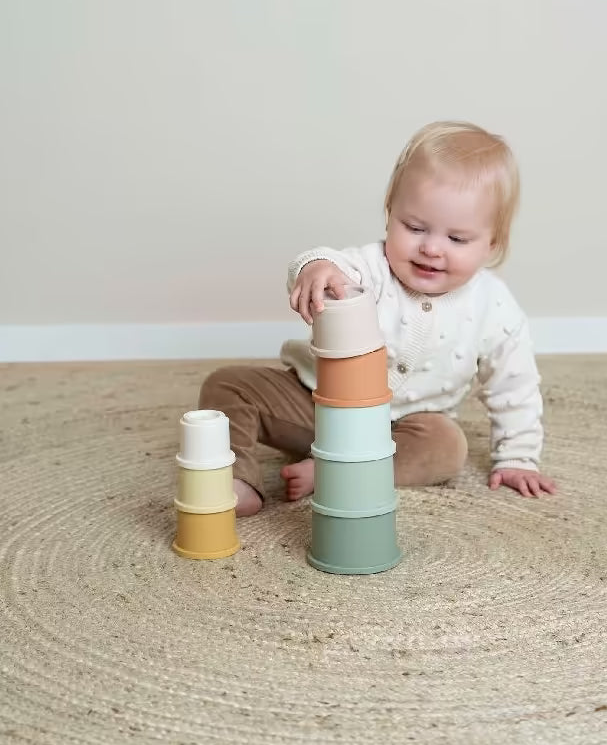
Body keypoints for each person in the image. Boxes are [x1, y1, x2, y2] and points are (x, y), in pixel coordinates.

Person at [199, 121, 556, 516]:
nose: (432, 248)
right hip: (318, 405)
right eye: (415, 227)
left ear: (493, 243)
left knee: (446, 446)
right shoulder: (372, 267)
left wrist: (518, 458)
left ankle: (341, 472)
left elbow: (515, 386)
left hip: (404, 430)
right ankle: (237, 481)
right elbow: (331, 262)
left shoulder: (495, 307)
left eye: (457, 239)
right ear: (390, 214)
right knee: (228, 386)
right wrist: (316, 267)